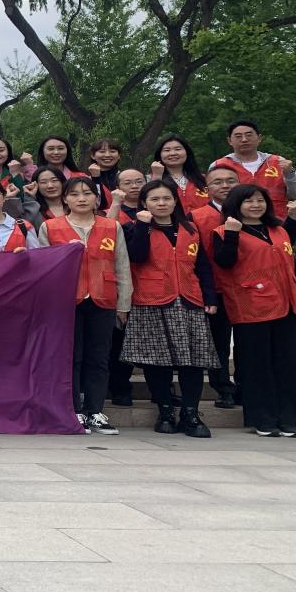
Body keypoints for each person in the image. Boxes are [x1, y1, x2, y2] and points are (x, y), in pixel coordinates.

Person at [122, 180, 219, 438]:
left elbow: (202, 266)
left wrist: (209, 296)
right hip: (152, 300)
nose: (161, 203)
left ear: (175, 201)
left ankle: (190, 412)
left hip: (189, 300)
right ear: (144, 203)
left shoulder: (190, 228)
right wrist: (142, 225)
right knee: (157, 361)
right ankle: (165, 410)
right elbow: (137, 256)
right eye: (154, 199)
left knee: (194, 360)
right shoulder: (133, 227)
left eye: (166, 198)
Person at [210, 184, 296, 437]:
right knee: (257, 365)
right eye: (249, 201)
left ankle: (289, 419)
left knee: (289, 364)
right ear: (236, 204)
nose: (255, 205)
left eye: (260, 200)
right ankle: (262, 419)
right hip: (251, 305)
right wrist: (232, 234)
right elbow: (224, 262)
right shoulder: (223, 231)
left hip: (286, 305)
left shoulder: (279, 230)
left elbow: (291, 268)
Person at [38, 177, 132, 434]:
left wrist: (123, 304)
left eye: (87, 193)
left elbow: (122, 266)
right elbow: (42, 267)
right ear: (65, 199)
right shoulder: (50, 227)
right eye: (75, 194)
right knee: (72, 356)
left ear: (96, 198)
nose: (81, 198)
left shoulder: (112, 226)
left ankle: (95, 410)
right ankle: (74, 410)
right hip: (66, 300)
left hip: (103, 297)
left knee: (99, 357)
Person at [192, 165, 241, 408]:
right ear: (207, 188)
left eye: (230, 180)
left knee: (247, 343)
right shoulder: (197, 217)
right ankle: (223, 388)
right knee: (218, 343)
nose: (225, 186)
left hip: (249, 290)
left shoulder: (254, 211)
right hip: (216, 288)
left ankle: (247, 386)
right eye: (218, 182)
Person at [106, 169, 147, 407]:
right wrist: (116, 203)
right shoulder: (113, 212)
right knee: (118, 341)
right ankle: (119, 388)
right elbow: (106, 233)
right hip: (120, 283)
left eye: (139, 181)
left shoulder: (156, 207)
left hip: (152, 285)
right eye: (128, 183)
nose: (134, 186)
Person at [210, 120, 296, 219]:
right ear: (230, 141)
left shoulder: (278, 161)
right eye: (238, 136)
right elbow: (212, 199)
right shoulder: (219, 165)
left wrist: (290, 173)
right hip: (237, 223)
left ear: (259, 138)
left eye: (249, 135)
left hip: (278, 223)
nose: (244, 140)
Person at [151, 135, 210, 213]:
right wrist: (157, 177)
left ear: (187, 152)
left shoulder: (204, 179)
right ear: (159, 154)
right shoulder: (149, 179)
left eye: (178, 149)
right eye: (167, 150)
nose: (172, 153)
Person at [86, 139, 122, 207]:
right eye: (102, 151)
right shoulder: (85, 179)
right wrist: (95, 178)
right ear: (93, 156)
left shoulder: (126, 177)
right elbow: (96, 204)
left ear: (119, 155)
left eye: (112, 151)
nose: (107, 155)